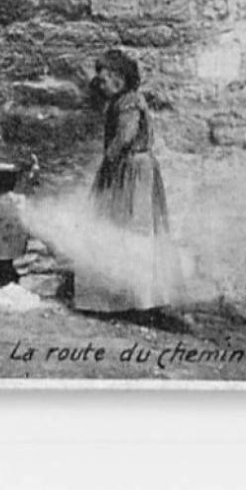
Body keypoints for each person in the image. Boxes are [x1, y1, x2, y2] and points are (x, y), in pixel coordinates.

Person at [73, 49, 183, 315]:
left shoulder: (129, 102)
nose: (100, 83)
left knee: (133, 230)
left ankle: (137, 298)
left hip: (132, 171)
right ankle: (121, 297)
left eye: (105, 77)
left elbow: (126, 134)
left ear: (120, 79)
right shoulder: (120, 102)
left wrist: (109, 160)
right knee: (118, 228)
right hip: (129, 168)